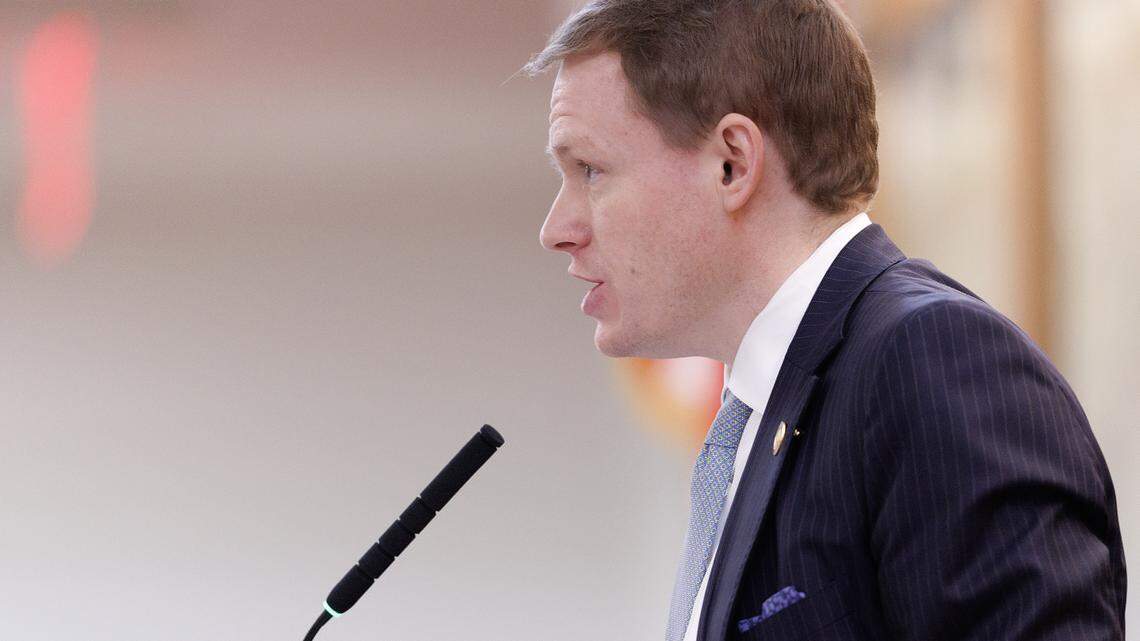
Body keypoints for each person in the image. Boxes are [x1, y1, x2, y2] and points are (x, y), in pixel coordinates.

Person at [524, 1, 1127, 640]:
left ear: (732, 162)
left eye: (589, 170)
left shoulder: (934, 361)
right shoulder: (763, 418)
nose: (555, 230)